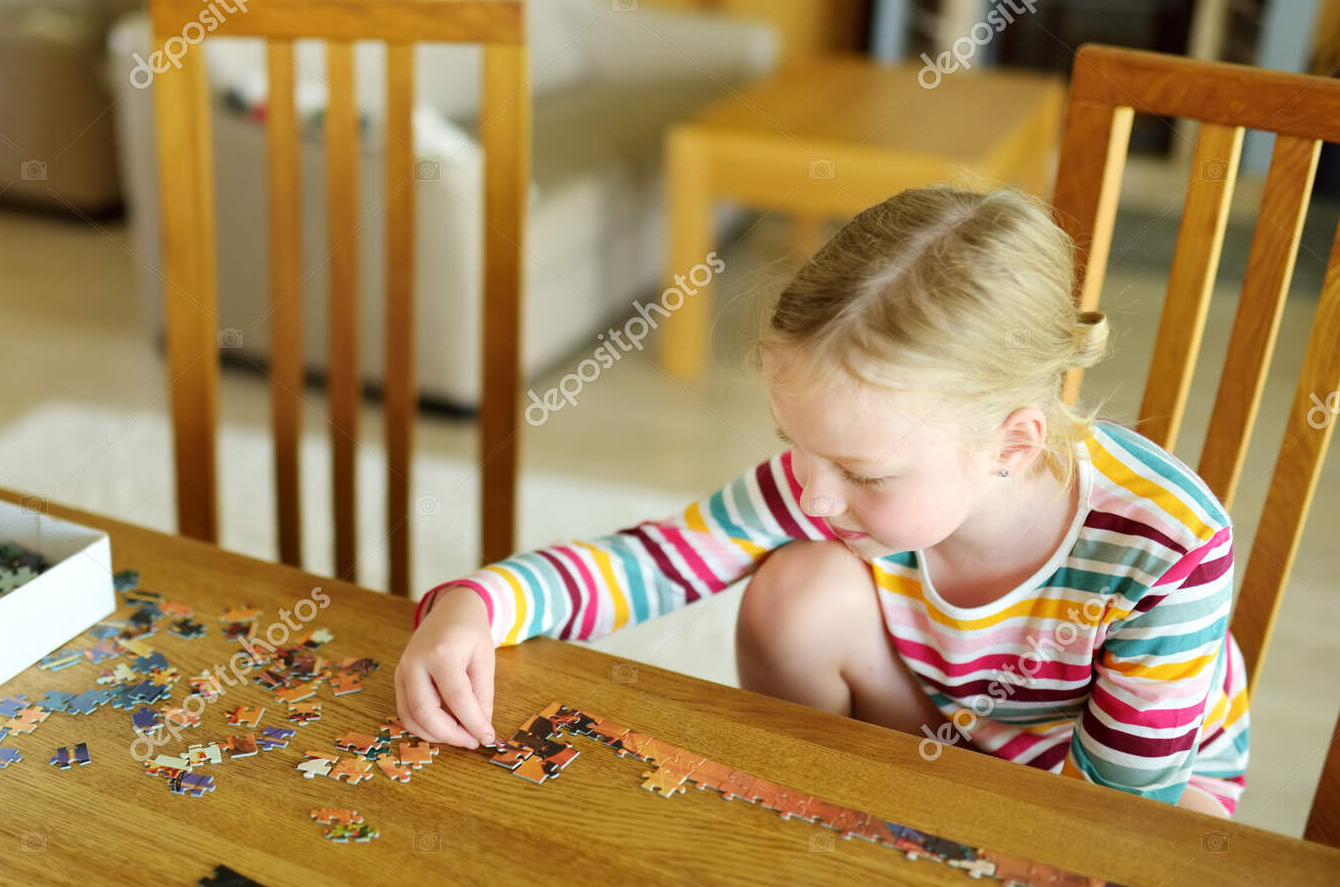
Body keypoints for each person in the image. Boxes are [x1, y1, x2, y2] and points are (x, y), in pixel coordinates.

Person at [396, 183, 1248, 818]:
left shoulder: (1167, 540)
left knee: (1181, 857)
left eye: (863, 474)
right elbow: (656, 560)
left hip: (1132, 785)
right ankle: (822, 811)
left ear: (1012, 445)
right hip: (947, 725)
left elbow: (1122, 815)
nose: (811, 492)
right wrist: (479, 601)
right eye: (790, 446)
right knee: (796, 589)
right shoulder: (832, 478)